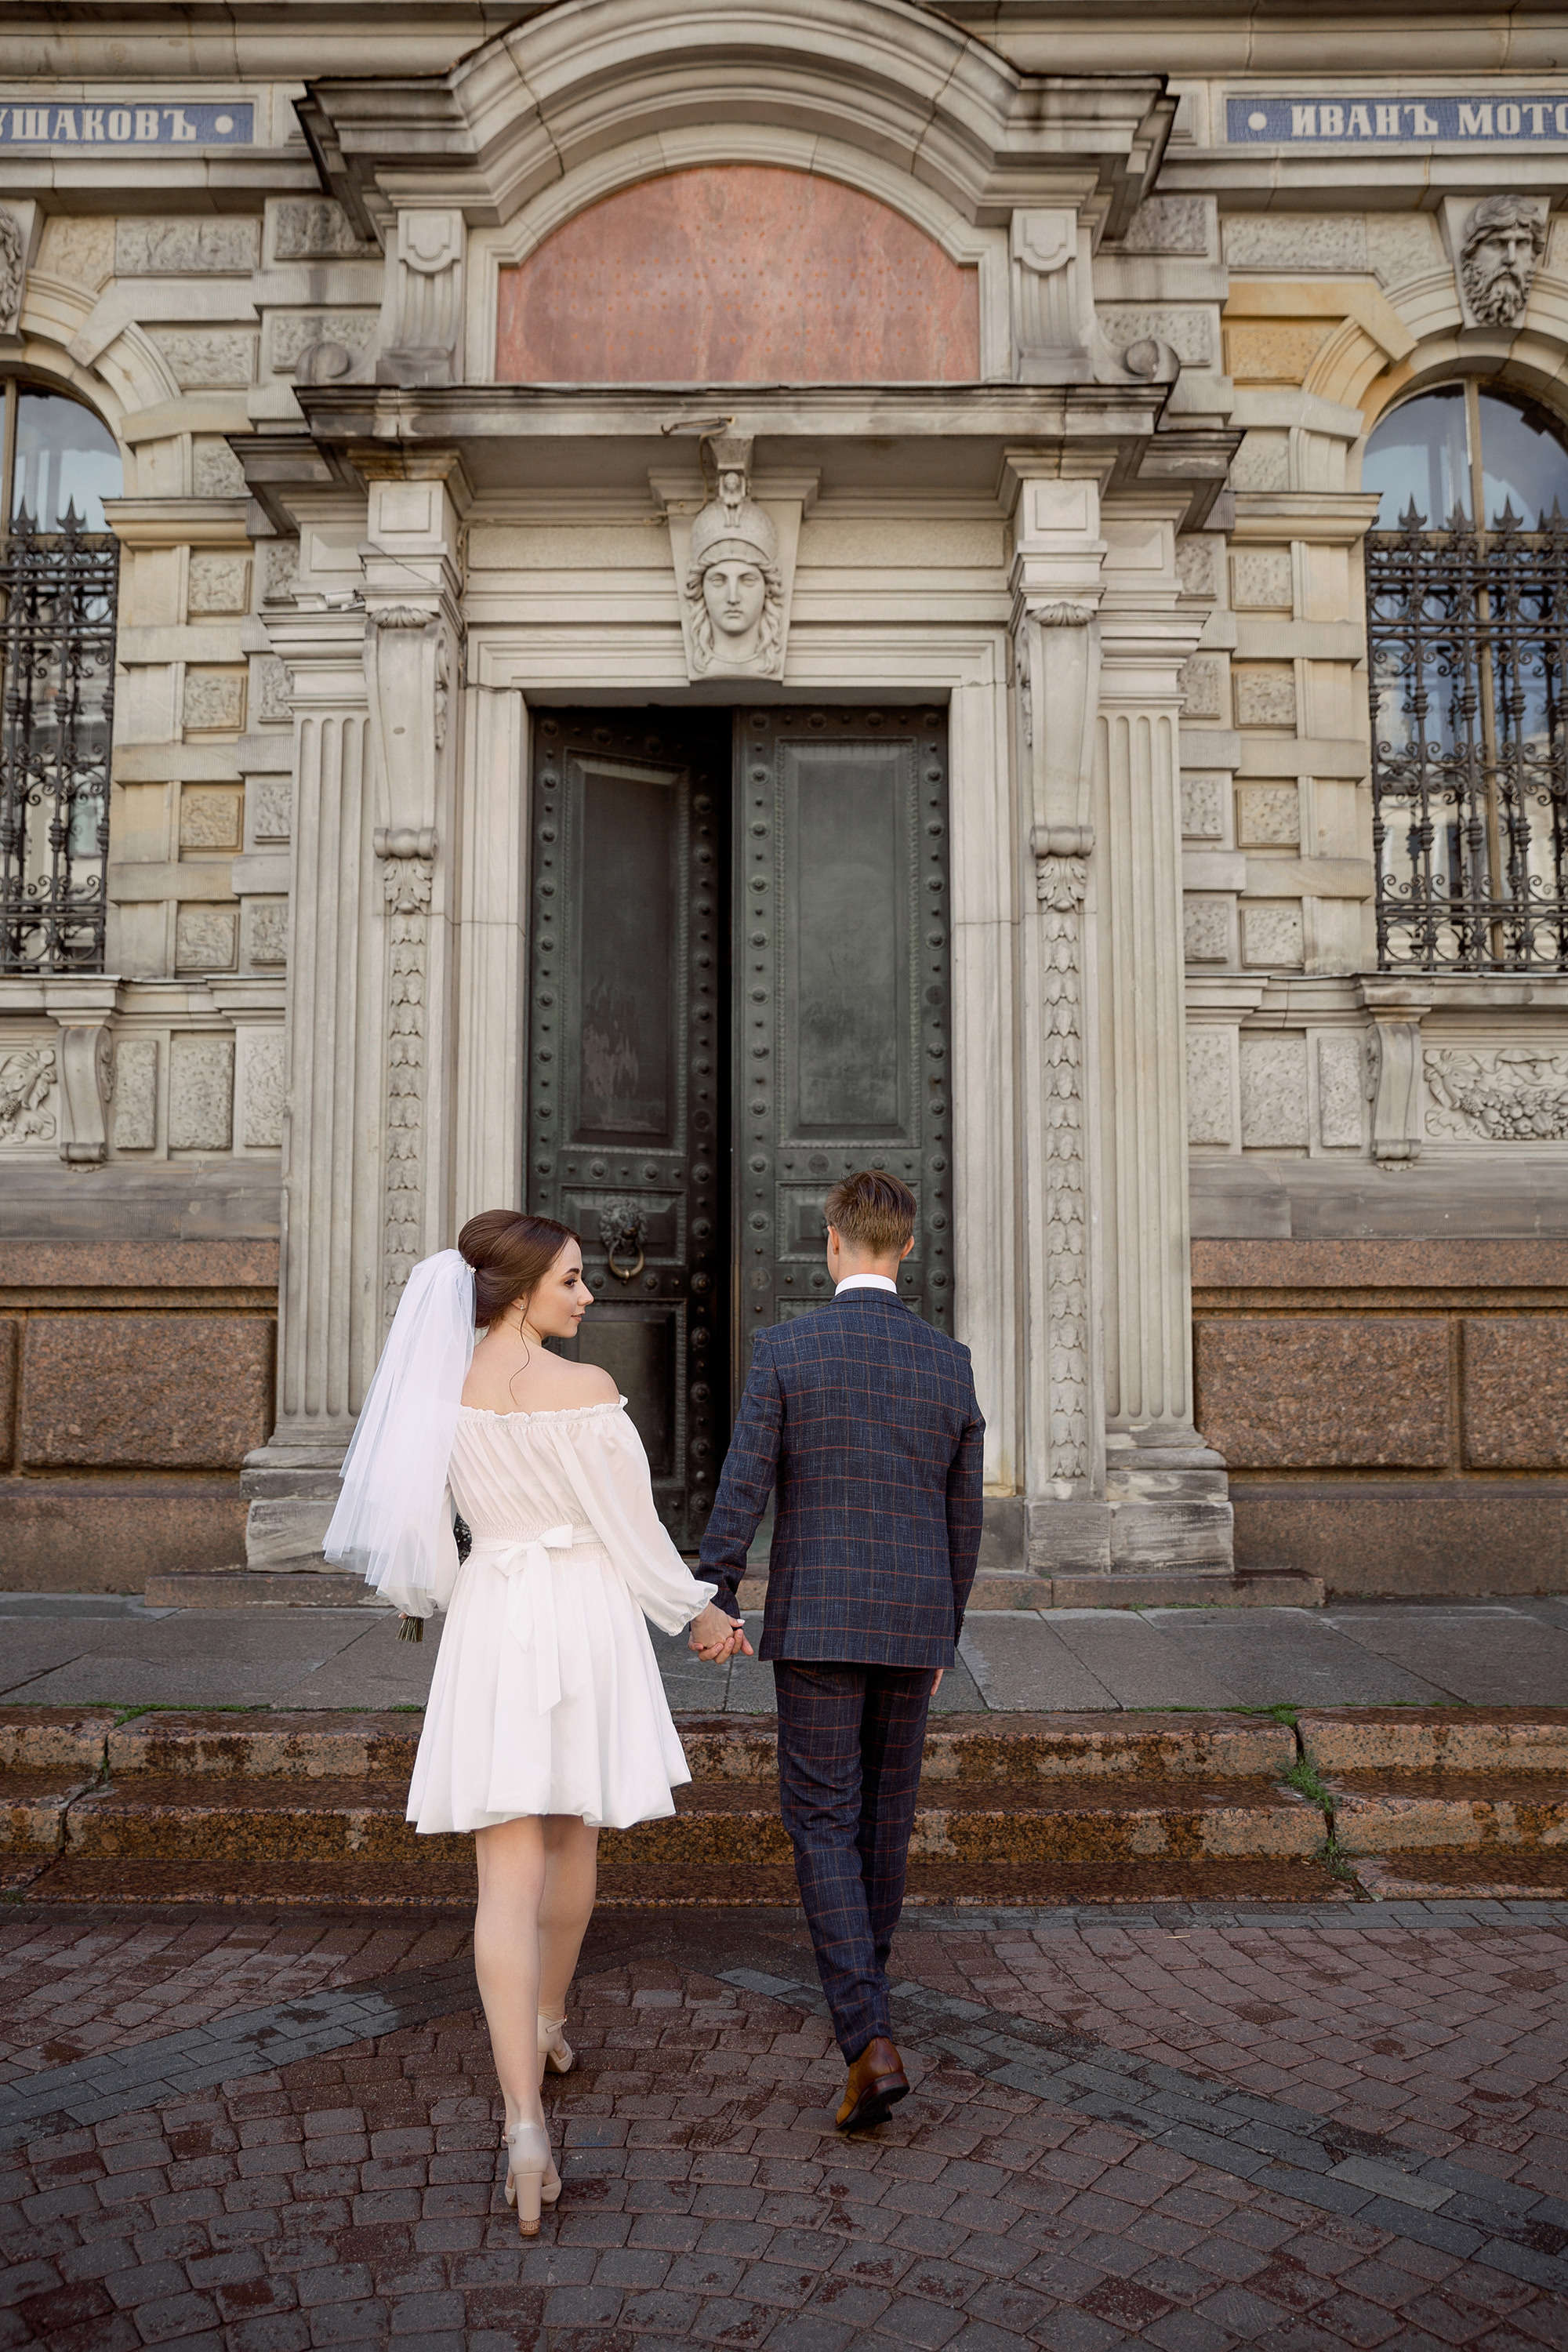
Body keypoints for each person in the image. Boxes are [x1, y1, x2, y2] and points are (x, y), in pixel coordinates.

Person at [324, 1212, 744, 2233]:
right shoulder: (589, 1394)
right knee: (576, 1833)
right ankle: (550, 2020)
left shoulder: (438, 1397)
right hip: (586, 1618)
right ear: (520, 1293)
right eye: (572, 1280)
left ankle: (522, 2126)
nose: (588, 1295)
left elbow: (422, 1538)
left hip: (495, 1617)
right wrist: (701, 1611)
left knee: (501, 1878)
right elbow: (632, 1537)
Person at [696, 1169, 984, 2130]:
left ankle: (867, 2038)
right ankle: (869, 2017)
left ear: (830, 1243)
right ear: (907, 1250)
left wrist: (719, 1591)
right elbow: (963, 1518)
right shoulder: (949, 1363)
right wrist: (945, 1628)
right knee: (881, 1824)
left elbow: (743, 1488)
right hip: (911, 1627)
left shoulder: (787, 1348)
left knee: (822, 1821)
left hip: (817, 1622)